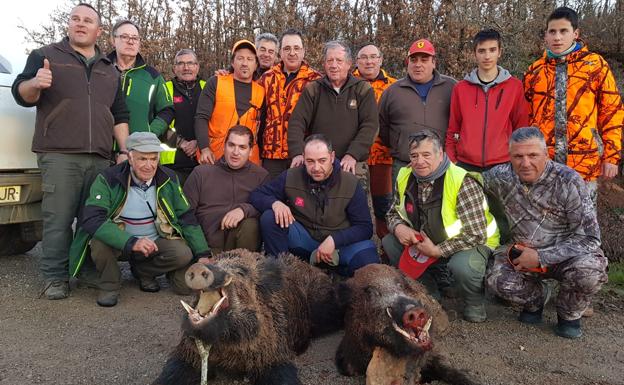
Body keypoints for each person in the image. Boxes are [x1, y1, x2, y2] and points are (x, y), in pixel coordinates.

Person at [11, 3, 130, 300]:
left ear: (98, 30)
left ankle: (86, 269)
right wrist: (35, 84)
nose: (81, 24)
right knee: (58, 219)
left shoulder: (109, 69)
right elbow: (21, 93)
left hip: (101, 157)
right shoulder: (45, 56)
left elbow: (120, 113)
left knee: (93, 218)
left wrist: (124, 150)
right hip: (60, 153)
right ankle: (55, 277)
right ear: (68, 25)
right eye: (75, 19)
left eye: (88, 20)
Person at [483, 127, 607, 338]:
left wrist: (541, 257)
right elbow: (465, 181)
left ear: (546, 154)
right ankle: (537, 300)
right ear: (510, 156)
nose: (525, 163)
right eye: (518, 156)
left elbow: (590, 238)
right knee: (496, 279)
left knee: (590, 272)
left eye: (533, 155)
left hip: (566, 257)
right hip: (522, 253)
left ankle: (569, 313)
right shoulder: (500, 176)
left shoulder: (569, 181)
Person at [68, 132, 211, 307]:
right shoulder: (108, 178)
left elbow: (185, 216)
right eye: (143, 159)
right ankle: (109, 285)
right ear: (130, 158)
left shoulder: (169, 178)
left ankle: (143, 271)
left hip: (155, 241)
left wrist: (203, 253)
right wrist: (131, 241)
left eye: (153, 159)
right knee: (99, 242)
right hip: (121, 241)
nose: (149, 165)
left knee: (183, 253)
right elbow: (92, 219)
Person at [382, 130, 499, 323]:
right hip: (428, 241)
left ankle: (473, 301)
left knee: (463, 267)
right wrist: (398, 228)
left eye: (426, 155)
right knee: (390, 242)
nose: (419, 161)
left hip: (469, 243)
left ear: (441, 154)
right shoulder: (404, 175)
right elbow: (392, 213)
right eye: (414, 156)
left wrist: (437, 250)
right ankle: (428, 291)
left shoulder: (462, 180)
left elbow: (476, 233)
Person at [524, 6, 623, 203]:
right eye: (552, 31)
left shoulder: (595, 65)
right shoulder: (534, 71)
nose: (557, 37)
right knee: (546, 222)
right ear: (546, 35)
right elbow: (526, 118)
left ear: (575, 33)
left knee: (583, 224)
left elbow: (611, 111)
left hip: (583, 163)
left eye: (563, 31)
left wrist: (611, 156)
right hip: (545, 164)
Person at [250, 135, 379, 277]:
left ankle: (341, 276)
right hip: (304, 239)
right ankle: (280, 274)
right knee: (270, 217)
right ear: (303, 158)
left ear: (332, 156)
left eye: (322, 161)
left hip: (339, 245)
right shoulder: (291, 176)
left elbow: (365, 227)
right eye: (310, 161)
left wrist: (334, 240)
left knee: (368, 257)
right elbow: (257, 195)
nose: (316, 168)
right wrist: (275, 203)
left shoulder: (350, 182)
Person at [287, 40, 378, 188]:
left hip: (352, 164)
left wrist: (353, 154)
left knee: (358, 208)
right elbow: (297, 122)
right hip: (319, 164)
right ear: (324, 64)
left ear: (349, 64)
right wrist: (297, 152)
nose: (334, 65)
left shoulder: (362, 89)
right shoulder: (313, 89)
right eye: (330, 60)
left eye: (339, 60)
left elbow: (371, 125)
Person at [446, 29, 529, 171]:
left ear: (499, 52)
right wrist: (452, 161)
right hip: (465, 165)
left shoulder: (514, 87)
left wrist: (518, 161)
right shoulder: (461, 88)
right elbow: (453, 128)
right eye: (482, 51)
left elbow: (521, 128)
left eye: (492, 50)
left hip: (503, 165)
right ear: (475, 54)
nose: (487, 56)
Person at [378, 38, 456, 185]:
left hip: (443, 164)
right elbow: (382, 127)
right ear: (408, 63)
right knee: (405, 206)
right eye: (413, 60)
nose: (418, 64)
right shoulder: (393, 91)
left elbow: (461, 122)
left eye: (424, 59)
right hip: (405, 165)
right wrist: (400, 146)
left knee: (443, 206)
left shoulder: (451, 87)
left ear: (433, 62)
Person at [183, 126, 269, 254]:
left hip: (238, 250)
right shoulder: (201, 173)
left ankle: (244, 271)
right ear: (224, 146)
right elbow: (185, 215)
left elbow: (268, 207)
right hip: (204, 248)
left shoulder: (261, 176)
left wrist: (244, 210)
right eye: (231, 145)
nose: (235, 152)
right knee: (183, 273)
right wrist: (201, 251)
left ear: (251, 151)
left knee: (251, 224)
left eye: (242, 147)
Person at [259, 28, 322, 179]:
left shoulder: (316, 80)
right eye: (287, 48)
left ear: (303, 51)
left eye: (296, 48)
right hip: (271, 155)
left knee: (299, 199)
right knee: (271, 197)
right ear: (280, 52)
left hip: (303, 154)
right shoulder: (267, 78)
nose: (292, 53)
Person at [195, 40, 265, 166]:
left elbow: (262, 129)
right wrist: (204, 148)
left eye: (249, 59)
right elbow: (201, 117)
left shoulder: (261, 91)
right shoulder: (216, 82)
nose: (245, 63)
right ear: (232, 62)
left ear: (256, 65)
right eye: (240, 58)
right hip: (214, 157)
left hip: (248, 161)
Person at [353, 44, 397, 239]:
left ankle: (387, 248)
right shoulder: (347, 83)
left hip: (384, 157)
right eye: (364, 57)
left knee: (384, 206)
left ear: (380, 59)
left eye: (373, 57)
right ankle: (357, 245)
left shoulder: (394, 86)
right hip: (354, 156)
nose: (369, 61)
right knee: (353, 205)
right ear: (356, 61)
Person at [108, 20, 174, 138]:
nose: (130, 42)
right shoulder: (100, 71)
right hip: (101, 150)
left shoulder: (153, 76)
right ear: (113, 40)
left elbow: (167, 110)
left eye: (135, 38)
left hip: (139, 151)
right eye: (124, 37)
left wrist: (149, 134)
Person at [162, 49, 205, 185]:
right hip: (171, 165)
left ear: (197, 66)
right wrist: (182, 143)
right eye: (181, 64)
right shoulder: (164, 89)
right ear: (174, 68)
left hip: (203, 162)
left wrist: (198, 142)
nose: (186, 68)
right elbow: (156, 124)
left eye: (190, 63)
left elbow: (216, 122)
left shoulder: (208, 88)